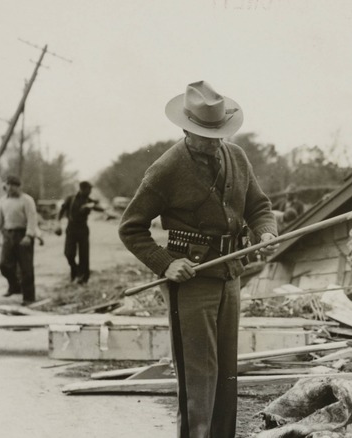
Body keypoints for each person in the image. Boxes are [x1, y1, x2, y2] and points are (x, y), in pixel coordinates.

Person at [119, 80, 278, 438]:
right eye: (204, 134)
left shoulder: (236, 156)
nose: (212, 141)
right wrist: (165, 263)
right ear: (185, 128)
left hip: (230, 276)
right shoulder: (165, 169)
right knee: (198, 377)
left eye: (218, 133)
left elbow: (259, 207)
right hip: (191, 282)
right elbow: (131, 228)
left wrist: (265, 232)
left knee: (226, 372)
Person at [0, 175, 39, 305]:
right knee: (4, 264)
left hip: (23, 234)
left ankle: (28, 297)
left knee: (26, 268)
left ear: (19, 186)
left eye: (13, 185)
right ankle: (15, 286)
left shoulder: (27, 200)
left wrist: (29, 235)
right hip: (8, 234)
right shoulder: (2, 202)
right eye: (8, 185)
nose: (10, 188)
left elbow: (32, 218)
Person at [58, 181, 104, 284]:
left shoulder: (88, 200)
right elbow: (62, 210)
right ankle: (76, 271)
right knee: (68, 253)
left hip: (83, 229)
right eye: (89, 189)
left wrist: (91, 206)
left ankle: (83, 278)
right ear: (83, 189)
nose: (90, 192)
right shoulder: (70, 198)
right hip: (71, 228)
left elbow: (100, 208)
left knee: (84, 255)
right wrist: (58, 223)